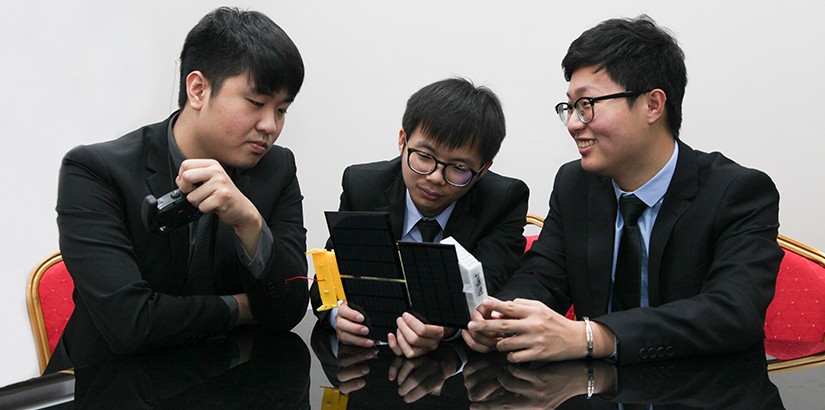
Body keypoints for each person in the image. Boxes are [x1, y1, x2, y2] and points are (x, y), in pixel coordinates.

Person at [462, 15, 783, 364]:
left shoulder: (737, 192)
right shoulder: (574, 185)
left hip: (705, 390)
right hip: (596, 391)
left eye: (587, 105)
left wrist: (592, 336)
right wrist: (500, 318)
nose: (572, 124)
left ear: (653, 105)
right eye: (570, 107)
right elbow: (542, 277)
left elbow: (732, 313)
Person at [47, 7, 309, 372]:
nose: (270, 125)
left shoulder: (276, 169)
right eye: (256, 103)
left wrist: (250, 224)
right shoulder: (95, 171)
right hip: (110, 383)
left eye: (281, 110)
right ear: (198, 89)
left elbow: (291, 307)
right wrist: (246, 306)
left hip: (227, 381)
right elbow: (131, 324)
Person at [310, 78, 529, 358]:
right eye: (424, 157)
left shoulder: (503, 201)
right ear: (403, 141)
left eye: (459, 168)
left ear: (483, 170)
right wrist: (337, 315)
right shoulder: (362, 186)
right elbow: (326, 280)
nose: (435, 178)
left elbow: (488, 290)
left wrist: (448, 329)